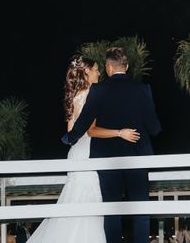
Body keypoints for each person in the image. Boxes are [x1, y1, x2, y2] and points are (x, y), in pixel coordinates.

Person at [27, 55, 140, 243]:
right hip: (89, 153)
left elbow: (71, 133)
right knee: (91, 208)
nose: (99, 72)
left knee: (74, 204)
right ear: (86, 72)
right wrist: (120, 133)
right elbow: (91, 131)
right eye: (96, 69)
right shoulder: (90, 94)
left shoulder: (74, 96)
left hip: (76, 154)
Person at [63, 47, 162, 243]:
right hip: (137, 156)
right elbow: (154, 128)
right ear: (127, 66)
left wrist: (70, 138)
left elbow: (84, 123)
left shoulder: (99, 90)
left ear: (108, 67)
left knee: (111, 210)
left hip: (108, 159)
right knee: (141, 208)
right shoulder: (143, 89)